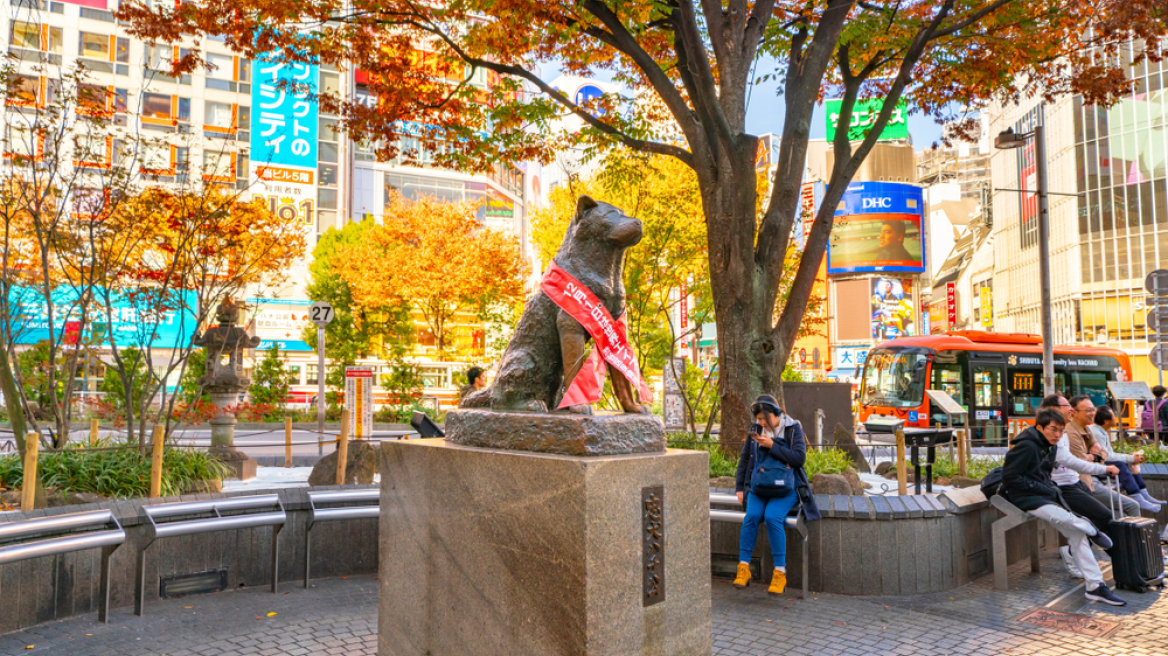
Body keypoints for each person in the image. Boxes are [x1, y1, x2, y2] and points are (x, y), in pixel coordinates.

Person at [1001, 409, 1126, 606]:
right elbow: (1010, 478)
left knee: (1077, 534)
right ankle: (1092, 529)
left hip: (1041, 495)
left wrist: (1047, 489)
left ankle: (1095, 586)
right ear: (1039, 427)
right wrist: (1043, 489)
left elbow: (1044, 474)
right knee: (1071, 521)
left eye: (1060, 430)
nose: (1057, 434)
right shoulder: (1026, 446)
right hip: (1024, 498)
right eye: (1052, 429)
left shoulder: (1049, 446)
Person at [733, 394, 807, 596]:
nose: (762, 423)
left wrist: (772, 446)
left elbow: (799, 459)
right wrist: (740, 487)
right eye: (759, 419)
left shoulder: (793, 428)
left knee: (773, 518)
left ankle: (779, 573)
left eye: (766, 419)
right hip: (760, 486)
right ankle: (743, 567)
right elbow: (745, 461)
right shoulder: (755, 431)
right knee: (752, 517)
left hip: (786, 488)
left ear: (776, 413)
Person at [1064, 395, 1141, 519]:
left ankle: (1126, 537)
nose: (1093, 413)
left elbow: (1103, 453)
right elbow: (1082, 463)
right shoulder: (1070, 433)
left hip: (1095, 478)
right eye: (1088, 410)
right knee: (1132, 506)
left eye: (1093, 409)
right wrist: (1095, 457)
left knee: (1119, 514)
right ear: (1074, 412)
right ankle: (1135, 538)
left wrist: (1093, 456)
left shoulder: (1087, 429)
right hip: (1085, 483)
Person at [1091, 405, 1163, 511]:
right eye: (1113, 416)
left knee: (1128, 462)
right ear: (1106, 421)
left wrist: (1129, 458)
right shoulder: (1097, 433)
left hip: (1101, 461)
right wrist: (1129, 458)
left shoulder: (1101, 431)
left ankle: (1143, 494)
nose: (1115, 417)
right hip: (1096, 464)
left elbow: (1109, 453)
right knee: (1122, 463)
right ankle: (1137, 496)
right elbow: (1107, 456)